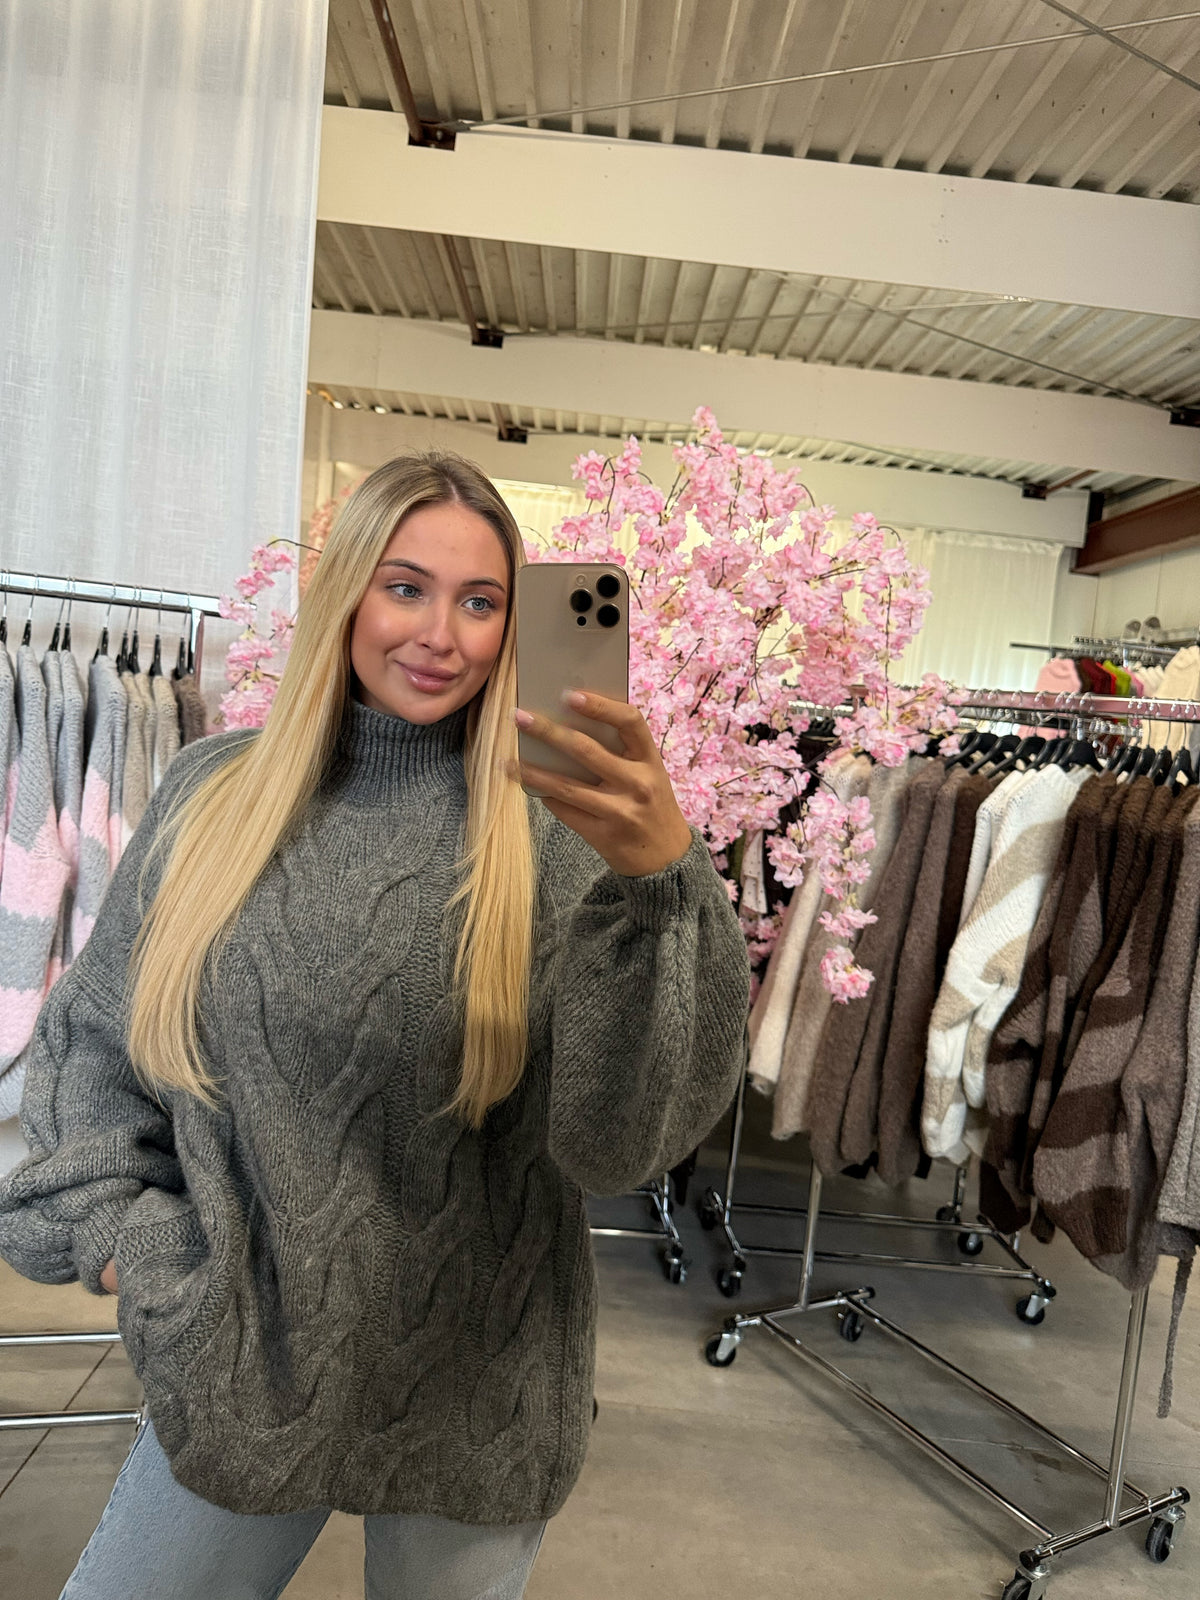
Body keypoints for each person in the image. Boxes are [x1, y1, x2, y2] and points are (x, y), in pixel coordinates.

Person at [0, 453, 750, 1600]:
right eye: (405, 587)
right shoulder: (214, 795)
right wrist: (136, 1251)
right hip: (237, 1357)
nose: (440, 635)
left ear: (515, 624)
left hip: (481, 1382)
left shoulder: (562, 833)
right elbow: (101, 1048)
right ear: (346, 592)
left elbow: (618, 1146)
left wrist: (660, 888)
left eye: (481, 601)